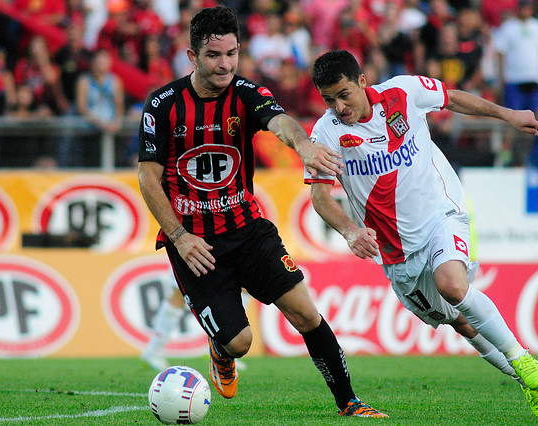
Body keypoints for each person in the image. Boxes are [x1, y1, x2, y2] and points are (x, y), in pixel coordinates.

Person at [137, 6, 387, 418]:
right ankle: (221, 351)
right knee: (240, 343)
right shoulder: (162, 106)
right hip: (196, 244)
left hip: (248, 229)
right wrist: (180, 237)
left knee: (306, 312)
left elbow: (281, 122)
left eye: (232, 54)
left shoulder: (246, 94)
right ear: (192, 57)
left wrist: (304, 147)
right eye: (215, 56)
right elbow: (149, 179)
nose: (225, 64)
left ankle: (350, 403)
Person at [306, 50, 538, 419]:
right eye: (329, 99)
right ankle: (530, 384)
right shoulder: (325, 133)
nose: (339, 106)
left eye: (344, 94)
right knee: (461, 322)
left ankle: (522, 357)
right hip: (396, 253)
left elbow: (453, 98)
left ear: (362, 81)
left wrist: (509, 114)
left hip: (441, 214)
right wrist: (348, 230)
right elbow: (318, 195)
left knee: (453, 286)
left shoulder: (403, 92)